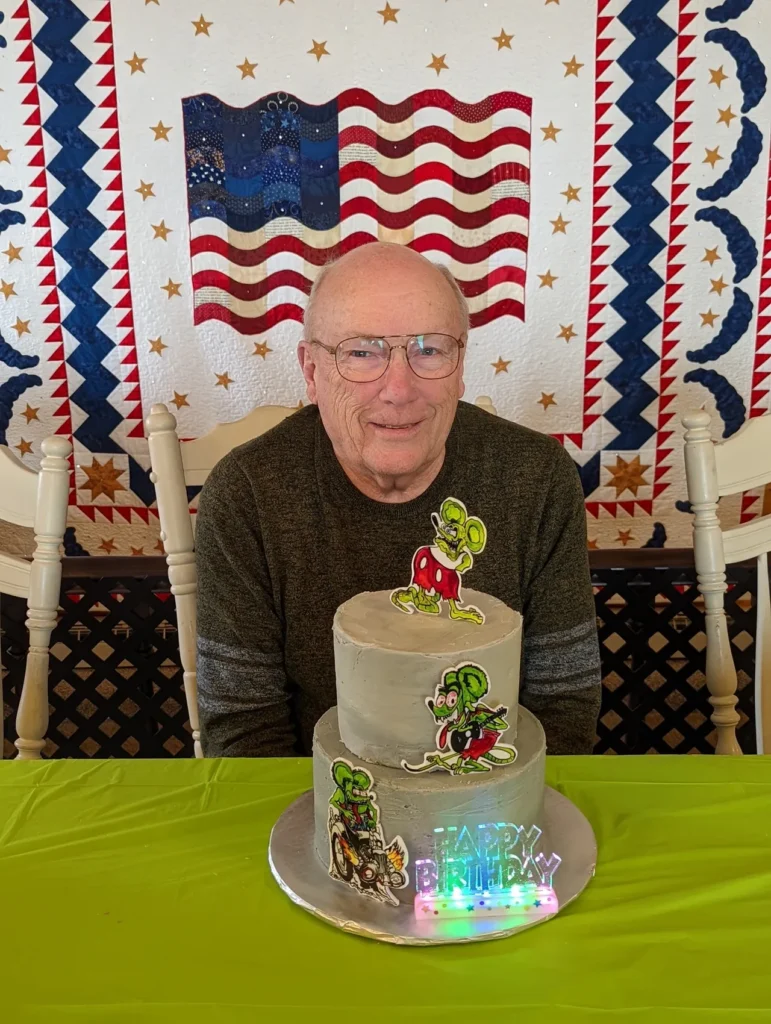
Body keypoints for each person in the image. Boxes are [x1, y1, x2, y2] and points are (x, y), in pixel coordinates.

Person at [195, 242, 601, 757]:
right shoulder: (245, 494)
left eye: (430, 349)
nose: (399, 389)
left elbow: (564, 704)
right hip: (320, 800)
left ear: (459, 366)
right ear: (311, 372)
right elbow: (243, 726)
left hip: (491, 806)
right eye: (361, 352)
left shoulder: (539, 477)